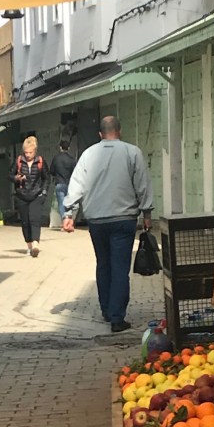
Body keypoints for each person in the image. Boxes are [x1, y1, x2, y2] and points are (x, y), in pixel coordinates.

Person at [62, 115, 153, 333]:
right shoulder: (132, 152)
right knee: (120, 268)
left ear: (100, 134)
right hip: (124, 220)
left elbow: (77, 185)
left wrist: (69, 213)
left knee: (103, 264)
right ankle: (116, 317)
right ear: (119, 131)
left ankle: (106, 309)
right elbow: (143, 184)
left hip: (97, 221)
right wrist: (147, 213)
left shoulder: (88, 154)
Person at [13, 135, 50, 257]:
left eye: (30, 152)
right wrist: (16, 178)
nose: (28, 155)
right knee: (25, 222)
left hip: (36, 195)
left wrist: (44, 192)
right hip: (22, 195)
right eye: (26, 152)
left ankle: (35, 244)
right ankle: (29, 245)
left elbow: (46, 177)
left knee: (34, 219)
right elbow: (10, 175)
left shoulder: (40, 161)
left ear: (35, 151)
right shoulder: (19, 161)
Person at [49, 138, 77, 223]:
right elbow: (75, 172)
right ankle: (70, 220)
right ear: (68, 148)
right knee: (69, 204)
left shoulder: (56, 158)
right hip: (70, 184)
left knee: (61, 204)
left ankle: (64, 222)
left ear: (60, 147)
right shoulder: (72, 159)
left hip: (59, 183)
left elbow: (51, 171)